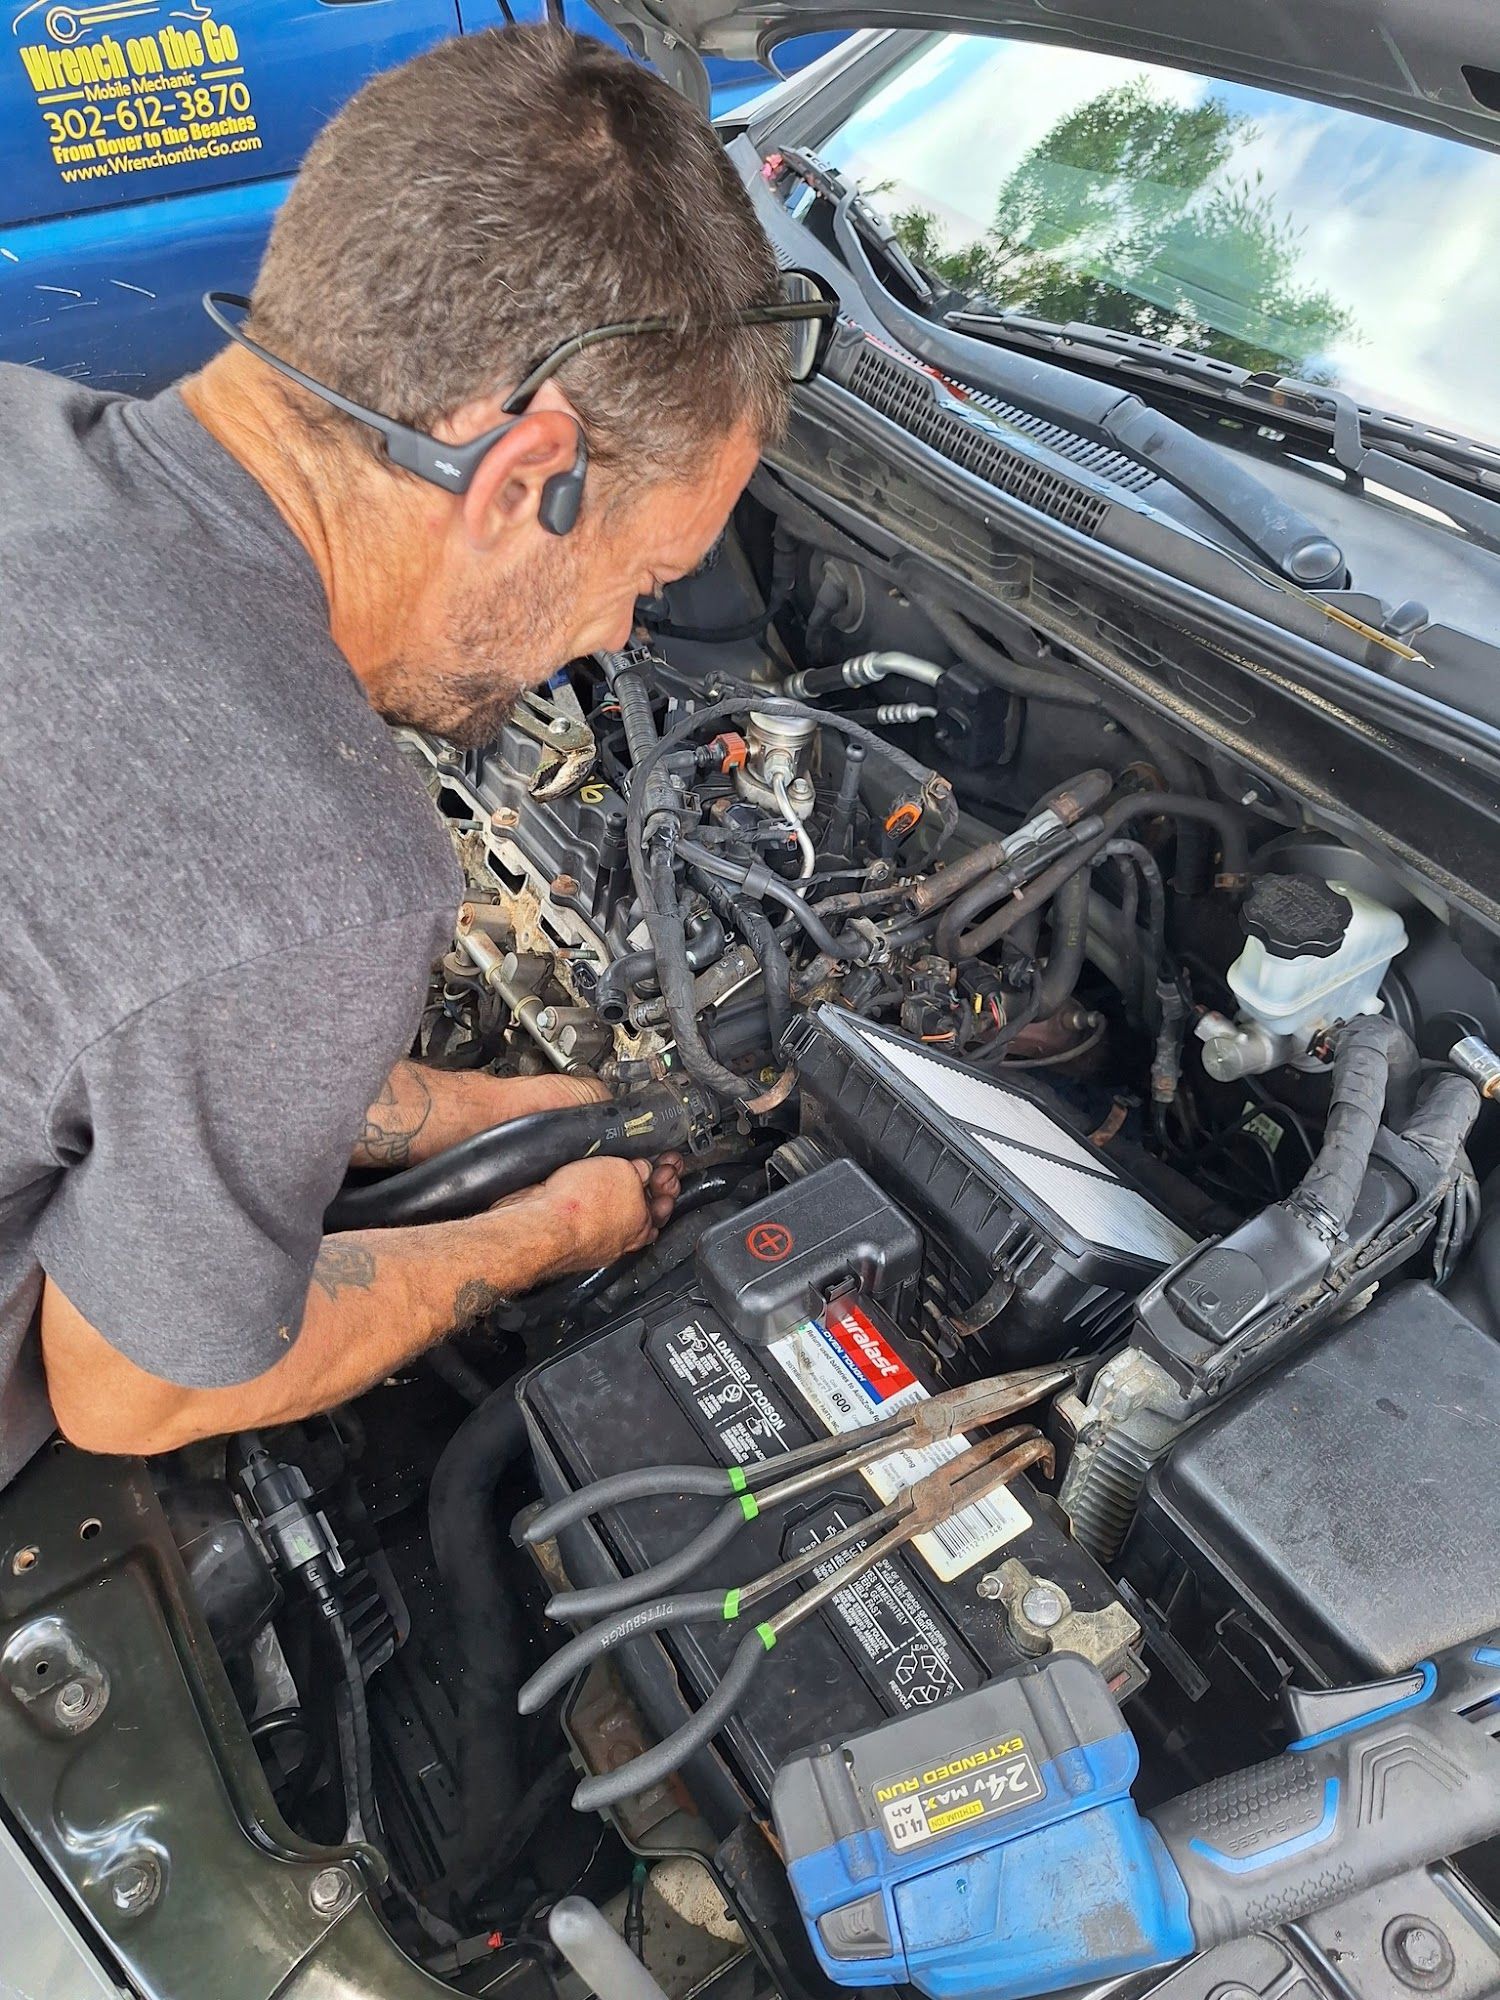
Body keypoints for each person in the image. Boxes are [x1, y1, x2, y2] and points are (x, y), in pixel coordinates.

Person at [0, 24, 793, 1480]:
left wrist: (462, 1112)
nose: (619, 638)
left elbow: (79, 998)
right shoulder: (308, 869)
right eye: (645, 573)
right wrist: (546, 1231)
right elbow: (132, 1399)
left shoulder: (20, 418)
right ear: (524, 481)